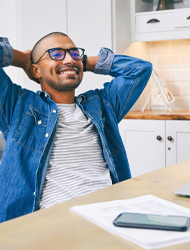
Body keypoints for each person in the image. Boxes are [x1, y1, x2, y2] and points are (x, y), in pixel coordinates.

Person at [0, 32, 152, 223]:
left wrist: (82, 62)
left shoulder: (102, 105)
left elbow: (140, 70)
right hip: (53, 222)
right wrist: (22, 59)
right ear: (36, 70)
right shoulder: (18, 106)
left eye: (74, 53)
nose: (69, 59)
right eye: (56, 53)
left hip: (111, 214)